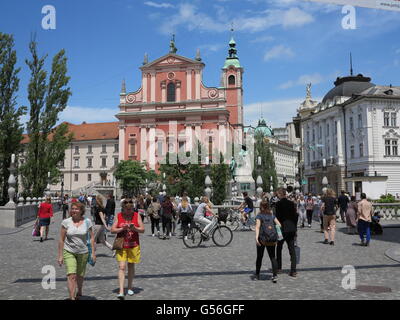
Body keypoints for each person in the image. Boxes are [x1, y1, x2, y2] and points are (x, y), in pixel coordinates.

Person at [58, 202, 95, 300]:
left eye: (76, 209)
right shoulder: (66, 222)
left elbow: (92, 238)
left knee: (80, 275)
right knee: (72, 275)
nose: (74, 210)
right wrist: (60, 255)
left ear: (81, 211)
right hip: (69, 251)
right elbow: (61, 239)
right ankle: (72, 297)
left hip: (83, 252)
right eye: (72, 208)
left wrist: (93, 254)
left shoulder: (87, 222)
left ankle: (80, 290)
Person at [111, 198, 145, 299]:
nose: (129, 211)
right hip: (122, 245)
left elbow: (142, 229)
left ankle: (130, 287)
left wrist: (135, 228)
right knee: (122, 267)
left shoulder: (136, 215)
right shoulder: (119, 216)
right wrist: (122, 228)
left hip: (133, 245)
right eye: (127, 209)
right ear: (123, 208)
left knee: (130, 266)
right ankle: (121, 291)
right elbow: (112, 230)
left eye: (131, 209)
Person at [254, 200, 281, 283]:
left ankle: (257, 274)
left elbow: (257, 227)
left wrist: (256, 237)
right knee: (273, 257)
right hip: (272, 239)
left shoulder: (259, 216)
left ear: (261, 207)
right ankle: (275, 275)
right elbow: (279, 225)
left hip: (262, 239)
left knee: (259, 257)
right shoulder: (272, 216)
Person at [275, 188, 298, 277]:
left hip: (281, 229)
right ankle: (293, 270)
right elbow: (295, 217)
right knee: (292, 249)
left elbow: (277, 218)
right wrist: (295, 229)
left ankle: (279, 268)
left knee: (279, 248)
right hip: (291, 229)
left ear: (280, 195)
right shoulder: (291, 203)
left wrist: (277, 230)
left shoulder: (278, 204)